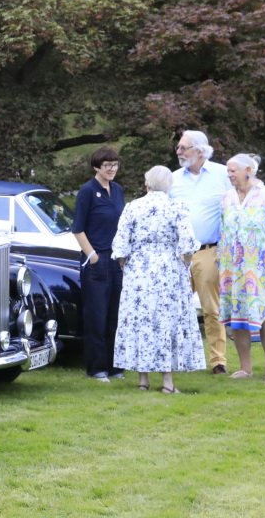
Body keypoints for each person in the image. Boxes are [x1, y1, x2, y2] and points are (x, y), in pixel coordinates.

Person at [112, 165, 205, 394]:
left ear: (147, 184)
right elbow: (188, 244)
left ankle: (143, 380)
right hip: (169, 271)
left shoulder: (132, 207)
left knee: (141, 321)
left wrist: (127, 267)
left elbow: (121, 245)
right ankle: (167, 382)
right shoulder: (177, 207)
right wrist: (184, 264)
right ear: (169, 185)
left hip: (138, 272)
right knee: (166, 321)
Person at [217, 153, 265, 383]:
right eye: (228, 171)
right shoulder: (227, 198)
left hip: (261, 268)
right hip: (231, 269)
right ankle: (245, 367)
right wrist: (220, 264)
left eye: (233, 171)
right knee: (236, 317)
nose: (229, 175)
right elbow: (223, 232)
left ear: (248, 170)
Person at [169, 129, 231, 374]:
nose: (179, 152)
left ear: (200, 151)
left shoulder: (222, 174)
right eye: (178, 147)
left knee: (211, 308)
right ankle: (177, 358)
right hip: (178, 253)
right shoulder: (173, 178)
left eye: (183, 148)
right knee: (176, 307)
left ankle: (218, 361)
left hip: (208, 250)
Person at [71, 146, 125, 381]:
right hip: (96, 260)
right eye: (107, 165)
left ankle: (115, 366)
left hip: (116, 259)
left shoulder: (118, 190)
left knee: (115, 314)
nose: (112, 169)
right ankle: (97, 367)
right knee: (97, 315)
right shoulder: (87, 191)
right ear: (96, 167)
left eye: (115, 164)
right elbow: (78, 228)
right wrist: (92, 255)